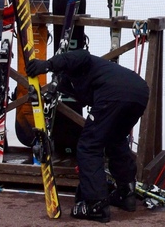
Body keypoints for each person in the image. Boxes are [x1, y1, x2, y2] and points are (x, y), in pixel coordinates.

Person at [26, 49, 150, 222]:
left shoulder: (82, 61)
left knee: (89, 145)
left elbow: (80, 55)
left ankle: (96, 205)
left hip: (113, 94)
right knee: (116, 140)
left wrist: (47, 65)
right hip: (139, 92)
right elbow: (83, 94)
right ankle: (126, 193)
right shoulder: (85, 76)